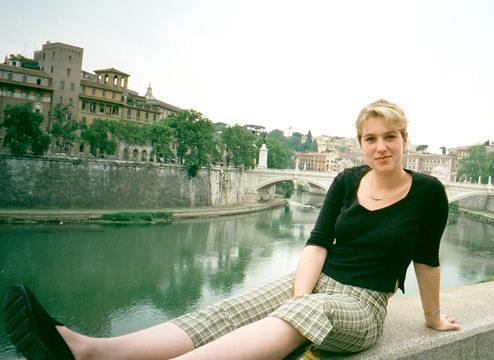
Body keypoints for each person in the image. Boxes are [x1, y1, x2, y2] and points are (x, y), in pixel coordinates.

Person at [3, 99, 460, 360]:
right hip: (318, 282)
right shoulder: (344, 181)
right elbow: (317, 244)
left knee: (304, 314)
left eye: (390, 136)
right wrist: (300, 291)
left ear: (405, 139)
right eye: (370, 138)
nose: (381, 147)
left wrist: (432, 317)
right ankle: (93, 351)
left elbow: (426, 259)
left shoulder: (428, 193)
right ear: (360, 144)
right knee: (233, 310)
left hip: (363, 307)